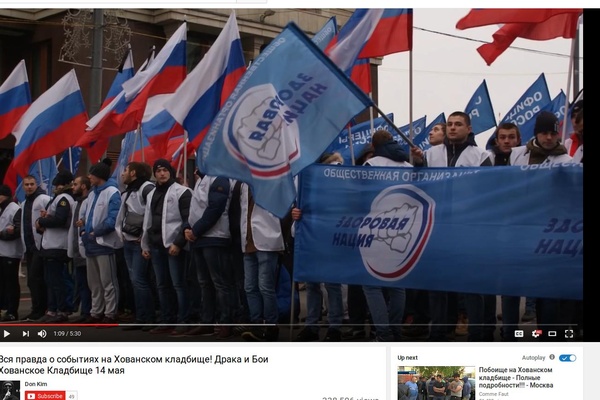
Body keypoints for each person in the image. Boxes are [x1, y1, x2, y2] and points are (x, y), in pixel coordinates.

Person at [411, 111, 495, 342]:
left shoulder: (480, 156)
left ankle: (476, 334)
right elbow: (419, 185)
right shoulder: (430, 154)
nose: (453, 128)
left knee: (470, 285)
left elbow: (490, 191)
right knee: (437, 285)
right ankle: (438, 332)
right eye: (449, 124)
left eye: (458, 124)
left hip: (468, 229)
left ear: (469, 129)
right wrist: (418, 163)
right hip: (436, 228)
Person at [510, 111, 573, 341]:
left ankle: (548, 335)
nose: (549, 138)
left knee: (548, 288)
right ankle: (510, 333)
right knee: (516, 284)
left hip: (550, 231)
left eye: (553, 133)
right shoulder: (518, 154)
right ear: (536, 133)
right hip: (521, 229)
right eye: (544, 133)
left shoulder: (566, 161)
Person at [362, 129, 411, 341]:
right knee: (397, 285)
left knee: (371, 284)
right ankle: (395, 332)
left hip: (377, 229)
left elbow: (362, 197)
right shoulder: (408, 166)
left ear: (373, 146)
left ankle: (383, 334)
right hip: (404, 230)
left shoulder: (371, 165)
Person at [293, 152, 345, 342]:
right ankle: (312, 325)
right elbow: (299, 205)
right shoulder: (309, 180)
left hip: (331, 236)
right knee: (312, 282)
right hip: (311, 235)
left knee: (331, 283)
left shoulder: (340, 181)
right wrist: (296, 212)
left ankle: (334, 326)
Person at [183, 174, 238, 339]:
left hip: (215, 237)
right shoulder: (201, 180)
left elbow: (216, 208)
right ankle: (207, 321)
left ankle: (226, 322)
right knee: (204, 283)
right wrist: (187, 227)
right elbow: (194, 209)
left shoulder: (219, 178)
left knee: (220, 283)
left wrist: (196, 230)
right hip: (199, 238)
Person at [141, 159, 192, 335]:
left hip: (174, 245)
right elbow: (147, 221)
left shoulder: (182, 192)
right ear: (154, 174)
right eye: (158, 170)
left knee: (179, 284)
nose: (162, 173)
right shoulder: (151, 194)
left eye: (165, 170)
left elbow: (187, 220)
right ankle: (166, 319)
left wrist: (178, 243)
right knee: (162, 285)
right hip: (156, 245)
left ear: (170, 172)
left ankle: (184, 320)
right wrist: (145, 245)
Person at [239, 183, 284, 342]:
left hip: (267, 239)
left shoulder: (271, 179)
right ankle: (256, 325)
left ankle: (271, 326)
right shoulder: (244, 183)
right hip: (248, 241)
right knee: (250, 287)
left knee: (265, 286)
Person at [80, 159, 123, 324]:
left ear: (100, 176)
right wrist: (84, 230)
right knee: (94, 283)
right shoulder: (92, 193)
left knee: (108, 281)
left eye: (92, 174)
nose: (89, 177)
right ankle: (96, 312)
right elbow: (88, 216)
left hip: (105, 243)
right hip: (91, 243)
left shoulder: (112, 192)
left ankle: (110, 313)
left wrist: (95, 232)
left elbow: (113, 218)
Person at [115, 161, 156, 330]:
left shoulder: (147, 189)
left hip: (140, 243)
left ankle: (149, 318)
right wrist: (122, 235)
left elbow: (150, 215)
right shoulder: (128, 191)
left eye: (125, 170)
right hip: (128, 241)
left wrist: (144, 238)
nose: (122, 173)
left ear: (133, 173)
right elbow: (122, 216)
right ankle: (140, 317)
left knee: (139, 280)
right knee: (134, 280)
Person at [36, 170, 75, 323]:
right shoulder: (61, 198)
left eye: (57, 184)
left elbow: (60, 220)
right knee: (50, 280)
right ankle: (52, 309)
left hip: (57, 245)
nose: (55, 187)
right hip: (51, 244)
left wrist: (41, 221)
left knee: (57, 281)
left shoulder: (63, 198)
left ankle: (61, 310)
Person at [20, 175, 51, 321]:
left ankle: (41, 309)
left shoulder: (44, 199)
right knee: (33, 280)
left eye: (31, 184)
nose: (29, 187)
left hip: (41, 245)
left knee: (36, 278)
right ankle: (36, 308)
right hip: (29, 246)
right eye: (26, 184)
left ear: (36, 184)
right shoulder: (24, 203)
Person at [68, 175, 92, 323]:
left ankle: (90, 311)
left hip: (87, 248)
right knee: (81, 283)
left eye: (75, 184)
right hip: (77, 250)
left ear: (83, 186)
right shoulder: (76, 203)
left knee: (91, 283)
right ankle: (84, 311)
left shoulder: (89, 201)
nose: (73, 187)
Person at [0, 185, 23, 321]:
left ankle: (12, 311)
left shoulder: (14, 209)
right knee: (2, 283)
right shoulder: (2, 208)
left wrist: (3, 234)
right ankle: (3, 309)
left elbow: (17, 231)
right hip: (1, 252)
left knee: (11, 283)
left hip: (11, 252)